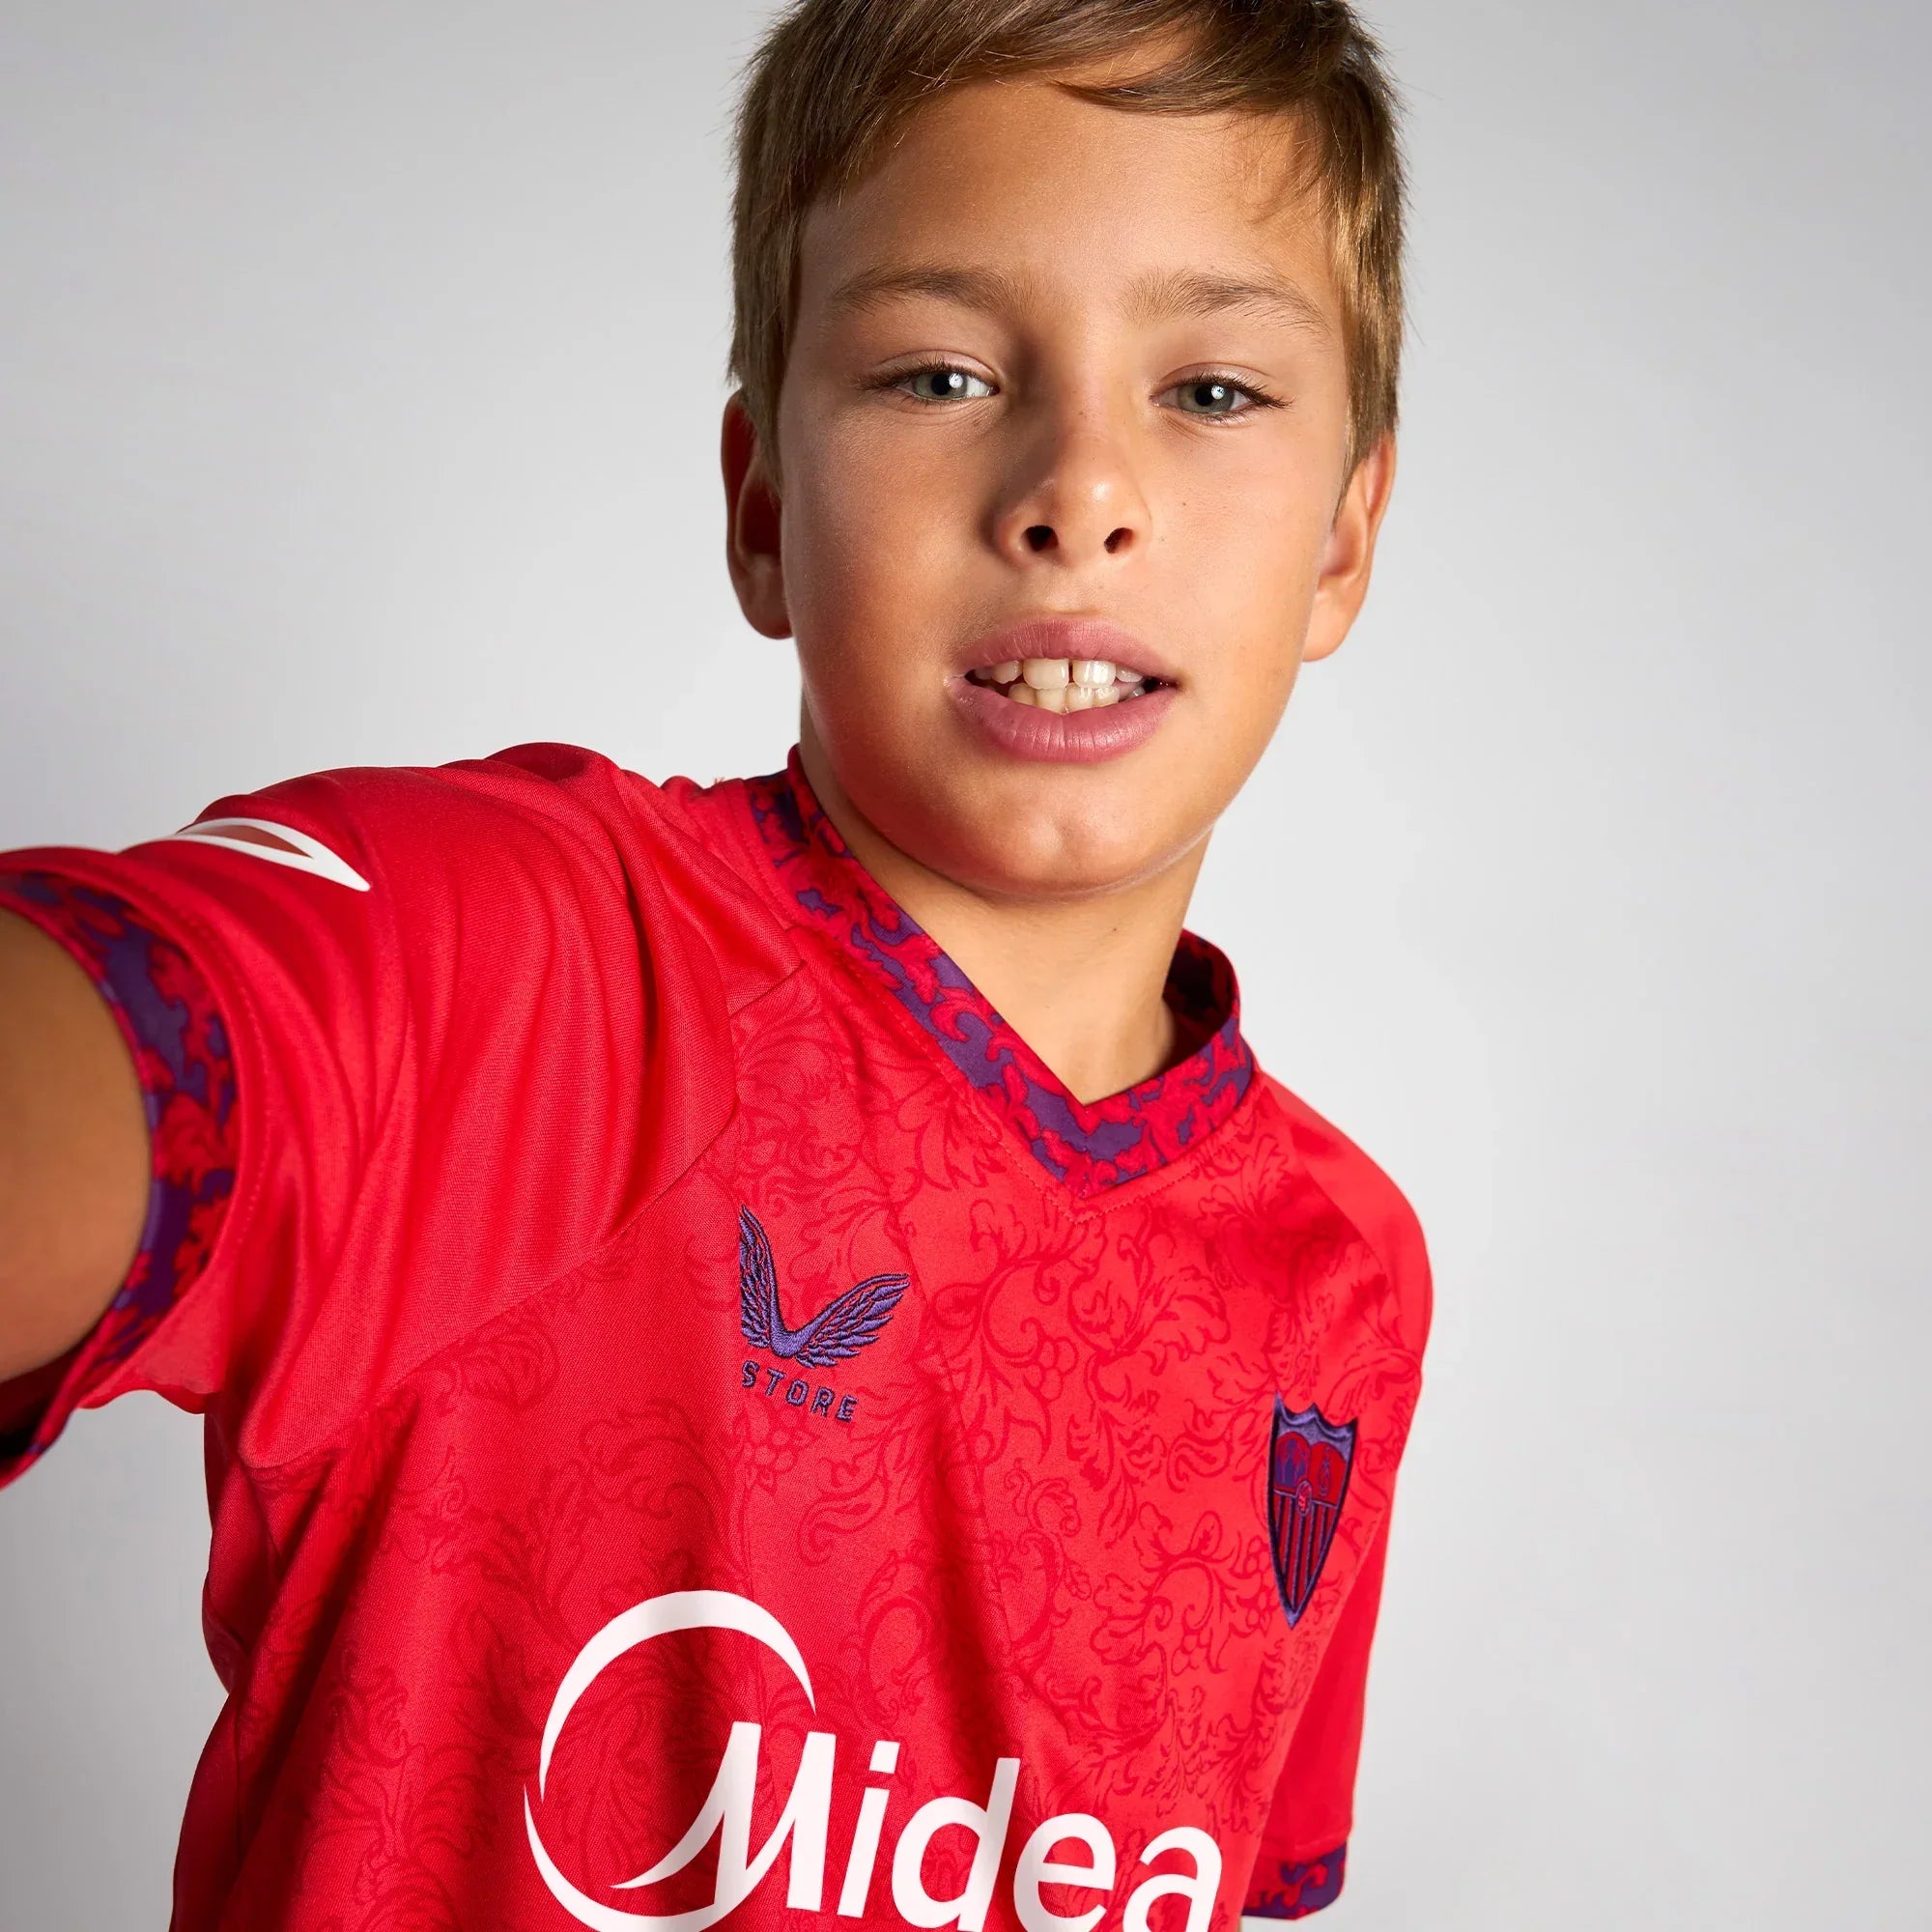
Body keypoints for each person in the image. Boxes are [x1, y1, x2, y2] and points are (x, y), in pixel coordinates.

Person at [0, 1, 1433, 1926]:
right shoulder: (510, 973)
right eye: (937, 372)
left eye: (1214, 389)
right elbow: (145, 1032)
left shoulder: (1344, 1276)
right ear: (763, 506)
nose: (1079, 489)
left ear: (1344, 537)